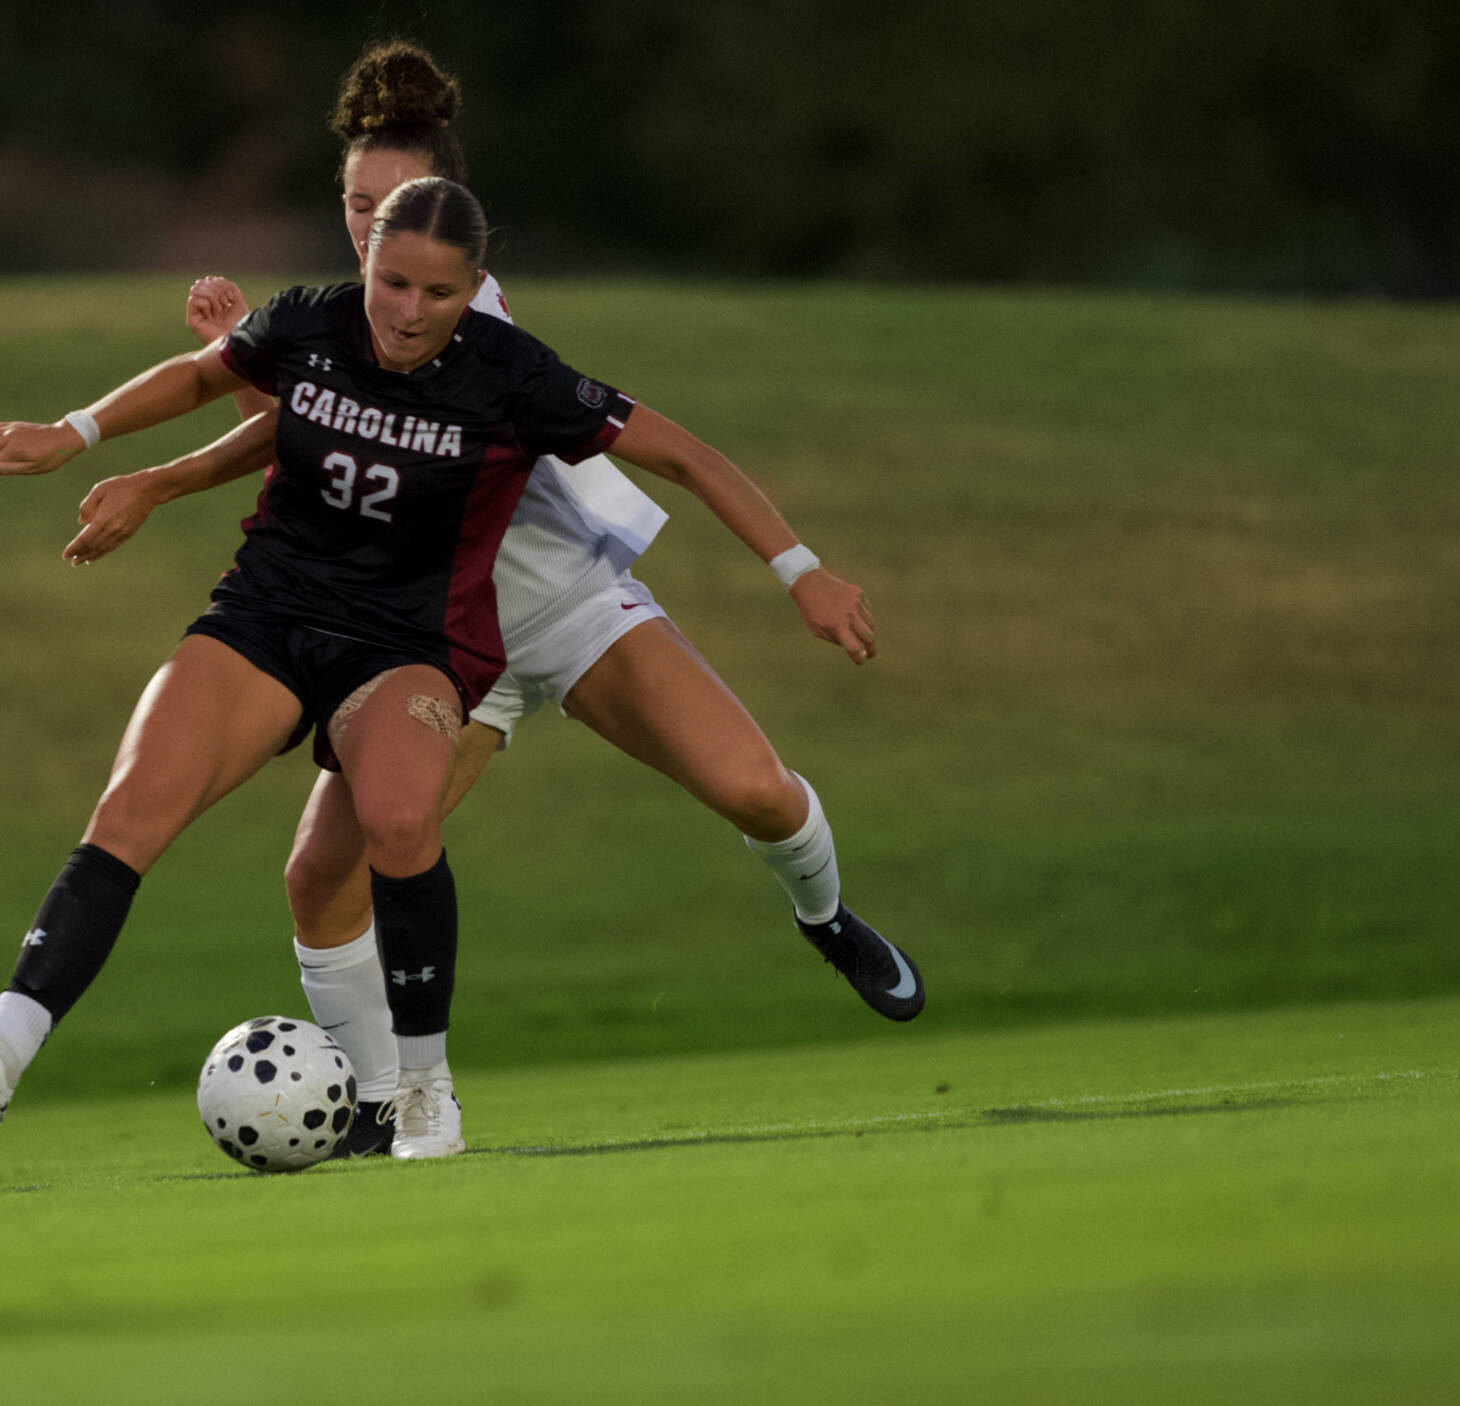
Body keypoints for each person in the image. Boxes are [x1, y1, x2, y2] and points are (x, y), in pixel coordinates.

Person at [67, 41, 921, 1160]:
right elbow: (316, 417)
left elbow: (665, 448)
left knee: (755, 790)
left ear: (453, 225)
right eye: (352, 204)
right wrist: (249, 375)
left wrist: (800, 569)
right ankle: (385, 1104)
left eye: (389, 204)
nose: (371, 226)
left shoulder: (467, 319)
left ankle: (827, 917)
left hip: (559, 605)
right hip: (420, 641)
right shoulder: (367, 309)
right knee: (322, 874)